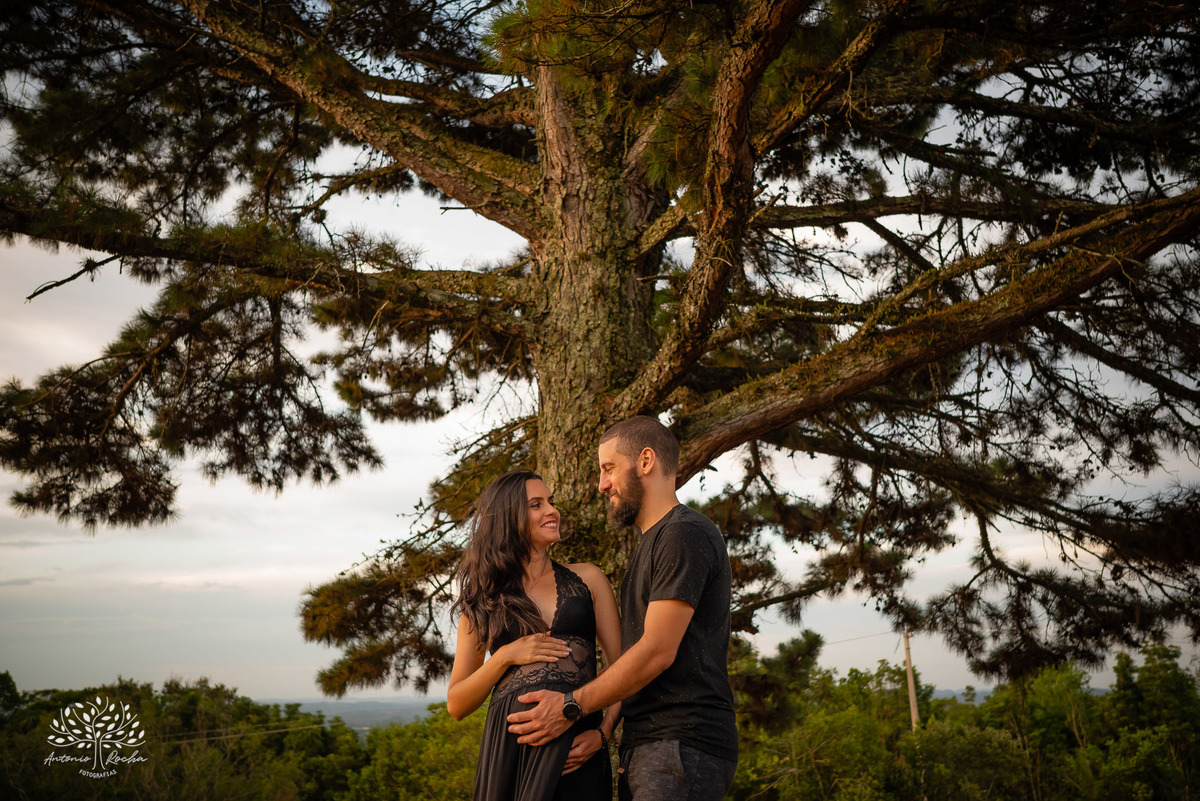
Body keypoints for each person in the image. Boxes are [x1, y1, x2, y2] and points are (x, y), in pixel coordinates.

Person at [507, 416, 738, 800]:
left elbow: (656, 652)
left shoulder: (683, 533)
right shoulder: (652, 544)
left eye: (608, 468)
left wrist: (568, 706)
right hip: (651, 747)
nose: (601, 484)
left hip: (680, 745)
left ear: (645, 461)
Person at [447, 469, 623, 801]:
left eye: (551, 502)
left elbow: (625, 668)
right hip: (510, 755)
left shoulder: (589, 579)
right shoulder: (482, 599)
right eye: (536, 504)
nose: (551, 511)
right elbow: (457, 703)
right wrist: (504, 657)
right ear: (509, 518)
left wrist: (604, 733)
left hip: (577, 748)